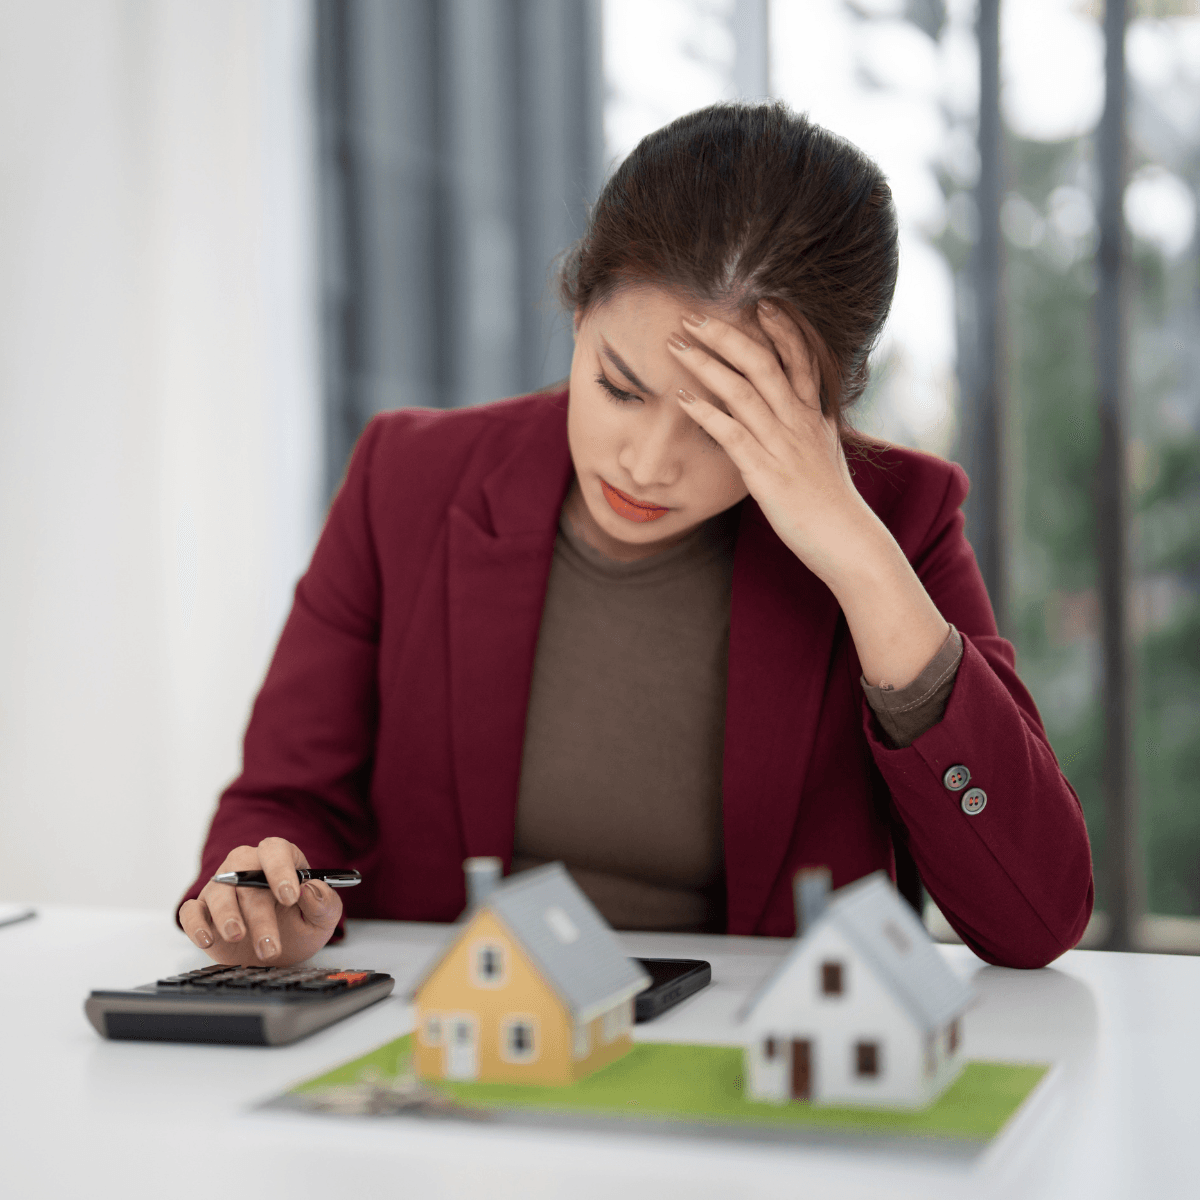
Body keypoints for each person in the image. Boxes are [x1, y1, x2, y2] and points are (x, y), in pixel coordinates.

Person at [177, 100, 1093, 971]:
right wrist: (268, 904)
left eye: (725, 426)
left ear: (827, 409)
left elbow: (1035, 919)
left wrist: (861, 567)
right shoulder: (408, 480)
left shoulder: (897, 523)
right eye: (620, 387)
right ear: (579, 312)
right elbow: (283, 803)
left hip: (747, 1084)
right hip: (457, 1050)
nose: (650, 463)